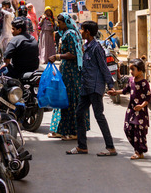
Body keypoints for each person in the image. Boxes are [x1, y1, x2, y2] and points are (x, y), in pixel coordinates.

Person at [67, 20, 117, 156]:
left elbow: (103, 67)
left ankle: (110, 147)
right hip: (86, 86)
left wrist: (110, 85)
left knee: (99, 116)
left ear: (87, 32)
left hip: (95, 87)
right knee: (79, 113)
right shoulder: (87, 46)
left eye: (82, 30)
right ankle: (82, 147)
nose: (80, 32)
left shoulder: (97, 48)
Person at [47, 13, 89, 141]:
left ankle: (75, 131)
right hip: (67, 72)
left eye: (60, 23)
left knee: (71, 100)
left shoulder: (71, 34)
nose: (58, 25)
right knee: (64, 99)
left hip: (72, 73)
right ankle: (62, 129)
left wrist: (58, 57)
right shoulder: (67, 34)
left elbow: (74, 54)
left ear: (66, 22)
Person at [108, 58, 151, 159]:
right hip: (131, 110)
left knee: (139, 132)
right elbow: (126, 90)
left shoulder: (144, 83)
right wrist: (115, 92)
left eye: (133, 69)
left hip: (140, 112)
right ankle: (138, 149)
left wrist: (141, 106)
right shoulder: (131, 80)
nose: (131, 72)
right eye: (130, 69)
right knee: (127, 129)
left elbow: (148, 97)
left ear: (140, 70)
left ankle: (139, 152)